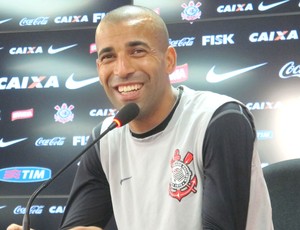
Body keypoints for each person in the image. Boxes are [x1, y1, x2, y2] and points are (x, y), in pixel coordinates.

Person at [7, 5, 273, 230]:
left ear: (169, 60)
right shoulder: (105, 137)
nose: (122, 70)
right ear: (99, 68)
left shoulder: (219, 119)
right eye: (109, 57)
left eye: (137, 51)